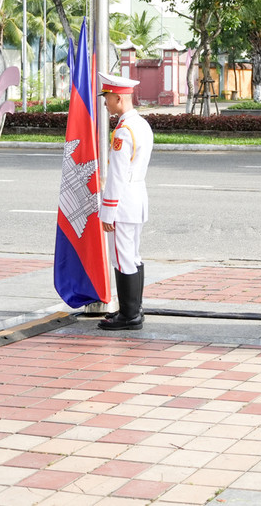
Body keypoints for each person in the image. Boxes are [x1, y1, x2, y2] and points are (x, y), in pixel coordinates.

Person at [98, 73, 154, 331]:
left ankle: (129, 316)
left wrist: (107, 212)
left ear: (118, 98)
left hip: (122, 202)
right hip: (136, 198)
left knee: (122, 259)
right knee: (132, 256)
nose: (105, 103)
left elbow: (117, 176)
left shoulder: (123, 130)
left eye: (107, 97)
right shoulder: (141, 124)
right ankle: (133, 309)